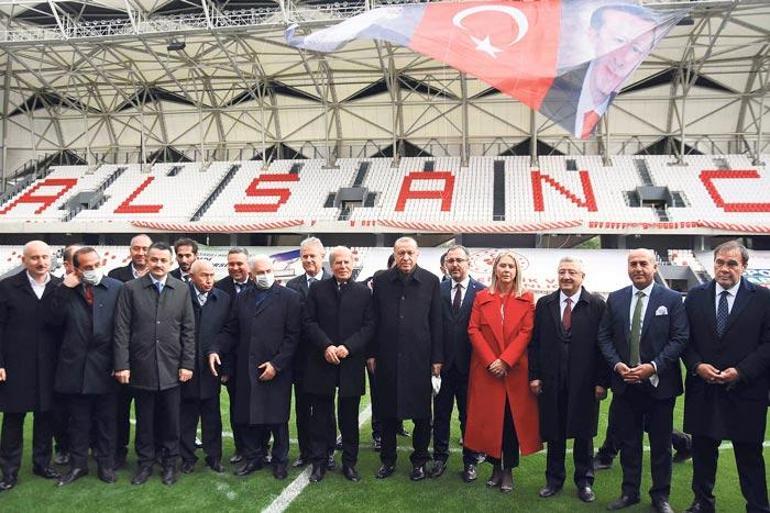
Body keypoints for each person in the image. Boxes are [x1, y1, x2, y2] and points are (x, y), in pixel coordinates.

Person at [598, 248, 688, 513]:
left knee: (660, 445)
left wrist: (652, 366)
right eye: (633, 264)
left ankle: (660, 497)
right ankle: (629, 493)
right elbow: (604, 337)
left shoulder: (672, 299)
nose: (638, 268)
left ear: (655, 267)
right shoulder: (616, 299)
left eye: (643, 263)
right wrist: (617, 365)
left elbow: (680, 338)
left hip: (660, 386)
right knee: (629, 444)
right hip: (625, 385)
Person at [682, 241, 770, 513]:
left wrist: (741, 371)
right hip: (703, 388)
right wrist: (697, 366)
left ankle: (757, 506)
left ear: (744, 266)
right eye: (720, 262)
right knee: (703, 452)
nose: (724, 268)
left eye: (732, 263)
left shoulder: (764, 298)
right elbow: (684, 340)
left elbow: (768, 344)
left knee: (749, 454)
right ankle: (702, 502)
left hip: (746, 390)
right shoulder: (695, 296)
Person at [209, 255, 301, 480]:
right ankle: (254, 458)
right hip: (247, 367)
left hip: (277, 368)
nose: (265, 275)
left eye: (268, 270)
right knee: (249, 415)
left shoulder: (290, 297)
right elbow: (231, 330)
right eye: (260, 272)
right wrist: (215, 349)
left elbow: (293, 336)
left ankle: (280, 461)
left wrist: (276, 364)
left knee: (277, 418)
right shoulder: (242, 298)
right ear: (251, 274)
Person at [113, 241, 196, 486]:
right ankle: (145, 464)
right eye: (154, 260)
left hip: (172, 368)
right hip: (141, 367)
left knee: (171, 421)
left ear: (170, 263)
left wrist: (187, 364)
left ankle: (170, 464)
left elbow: (188, 330)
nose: (158, 264)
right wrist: (122, 364)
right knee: (145, 421)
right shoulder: (130, 288)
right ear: (147, 261)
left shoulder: (181, 289)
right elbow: (121, 329)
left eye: (163, 260)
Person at [528, 257, 608, 503]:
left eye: (572, 272)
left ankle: (584, 482)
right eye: (562, 272)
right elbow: (536, 343)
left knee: (583, 435)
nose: (566, 276)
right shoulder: (545, 304)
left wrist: (601, 382)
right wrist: (535, 376)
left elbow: (603, 345)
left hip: (584, 383)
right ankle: (553, 480)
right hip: (552, 381)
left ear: (582, 276)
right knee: (554, 432)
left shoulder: (596, 304)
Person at [465, 251, 541, 494]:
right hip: (487, 371)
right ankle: (494, 467)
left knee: (510, 422)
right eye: (502, 266)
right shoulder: (481, 297)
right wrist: (491, 361)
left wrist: (506, 361)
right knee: (490, 421)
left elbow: (526, 333)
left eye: (511, 266)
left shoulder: (527, 298)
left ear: (517, 271)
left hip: (514, 371)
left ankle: (508, 470)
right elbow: (473, 330)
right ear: (495, 269)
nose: (506, 270)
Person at [47, 246, 122, 486]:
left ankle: (106, 465)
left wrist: (119, 363)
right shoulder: (64, 289)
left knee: (106, 420)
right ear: (76, 268)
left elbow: (123, 330)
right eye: (87, 267)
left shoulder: (115, 288)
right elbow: (52, 321)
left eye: (96, 265)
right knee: (77, 421)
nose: (92, 270)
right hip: (75, 367)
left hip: (106, 366)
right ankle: (78, 465)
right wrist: (64, 290)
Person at [369, 237, 442, 481]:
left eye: (410, 252)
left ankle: (419, 461)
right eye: (401, 253)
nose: (406, 257)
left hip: (420, 360)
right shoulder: (380, 281)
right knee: (387, 412)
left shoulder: (431, 281)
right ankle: (387, 460)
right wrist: (371, 354)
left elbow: (436, 323)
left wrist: (437, 359)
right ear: (394, 254)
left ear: (418, 254)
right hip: (387, 358)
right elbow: (373, 320)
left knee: (422, 415)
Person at [303, 246, 375, 483]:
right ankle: (319, 463)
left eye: (346, 262)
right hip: (321, 361)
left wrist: (348, 347)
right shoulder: (317, 289)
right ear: (330, 265)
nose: (343, 266)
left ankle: (350, 463)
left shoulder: (364, 292)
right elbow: (309, 322)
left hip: (350, 364)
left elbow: (369, 326)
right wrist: (326, 346)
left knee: (349, 417)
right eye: (338, 263)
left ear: (352, 264)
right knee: (320, 417)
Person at [540, 4, 658, 138]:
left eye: (636, 49)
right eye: (619, 41)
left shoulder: (632, 100)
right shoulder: (551, 89)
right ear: (594, 36)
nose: (622, 60)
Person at [0, 241, 62, 491]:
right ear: (24, 260)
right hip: (16, 364)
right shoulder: (6, 287)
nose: (41, 262)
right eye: (35, 257)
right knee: (14, 418)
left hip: (50, 364)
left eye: (45, 257)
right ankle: (9, 471)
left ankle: (42, 463)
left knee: (45, 416)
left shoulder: (60, 286)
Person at [430, 244, 484, 482]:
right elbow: (433, 329)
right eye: (450, 261)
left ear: (468, 263)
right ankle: (440, 458)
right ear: (445, 265)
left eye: (459, 260)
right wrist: (436, 359)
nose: (455, 265)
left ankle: (470, 461)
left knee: (469, 416)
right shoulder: (437, 290)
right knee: (440, 414)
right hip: (442, 366)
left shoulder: (482, 292)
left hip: (471, 367)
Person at [285, 237, 333, 470]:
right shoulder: (292, 286)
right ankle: (305, 451)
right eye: (304, 256)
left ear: (322, 256)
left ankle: (328, 451)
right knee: (302, 408)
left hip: (325, 357)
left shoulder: (333, 282)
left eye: (313, 255)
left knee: (325, 408)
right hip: (301, 359)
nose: (309, 260)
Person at [179, 260, 230, 475]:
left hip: (211, 368)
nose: (209, 280)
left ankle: (214, 456)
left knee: (212, 415)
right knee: (186, 415)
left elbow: (228, 330)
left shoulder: (223, 299)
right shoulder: (180, 297)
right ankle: (187, 457)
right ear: (192, 276)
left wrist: (218, 353)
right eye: (204, 276)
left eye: (212, 275)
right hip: (185, 367)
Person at [108, 233, 152, 468]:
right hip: (124, 355)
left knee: (149, 411)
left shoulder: (163, 277)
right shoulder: (116, 276)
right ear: (130, 250)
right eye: (137, 248)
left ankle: (149, 454)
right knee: (119, 409)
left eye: (146, 248)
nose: (141, 253)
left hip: (150, 358)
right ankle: (118, 452)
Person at [214, 247, 253, 464]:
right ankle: (241, 448)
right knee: (237, 406)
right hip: (232, 362)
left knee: (257, 405)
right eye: (231, 264)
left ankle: (260, 446)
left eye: (239, 263)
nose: (235, 267)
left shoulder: (258, 285)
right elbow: (222, 328)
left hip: (256, 359)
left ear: (248, 264)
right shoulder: (220, 288)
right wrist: (225, 367)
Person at [51, 244, 81, 466]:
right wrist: (65, 290)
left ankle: (84, 446)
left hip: (89, 361)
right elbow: (51, 321)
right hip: (60, 359)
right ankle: (62, 446)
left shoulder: (96, 286)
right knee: (61, 408)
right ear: (68, 264)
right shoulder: (54, 287)